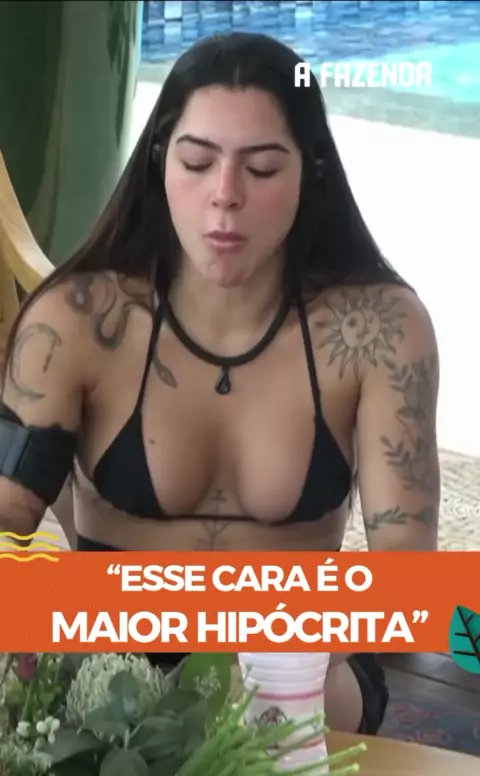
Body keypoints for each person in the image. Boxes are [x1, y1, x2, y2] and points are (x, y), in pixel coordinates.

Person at [0, 33, 440, 735]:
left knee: (278, 710)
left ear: (311, 172)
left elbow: (406, 585)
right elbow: (8, 510)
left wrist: (271, 649)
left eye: (261, 168)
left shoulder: (379, 329)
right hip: (110, 659)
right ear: (158, 164)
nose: (225, 196)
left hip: (297, 662)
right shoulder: (77, 320)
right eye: (197, 162)